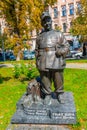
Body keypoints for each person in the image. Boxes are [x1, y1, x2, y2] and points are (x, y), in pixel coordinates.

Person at [35, 12, 70, 102]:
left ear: (51, 21)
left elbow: (66, 46)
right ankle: (47, 94)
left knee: (58, 77)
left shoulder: (58, 34)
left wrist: (61, 51)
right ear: (42, 24)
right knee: (45, 78)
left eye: (48, 20)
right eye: (45, 22)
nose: (47, 23)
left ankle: (60, 93)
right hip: (43, 59)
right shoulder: (39, 37)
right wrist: (37, 62)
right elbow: (36, 50)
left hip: (56, 58)